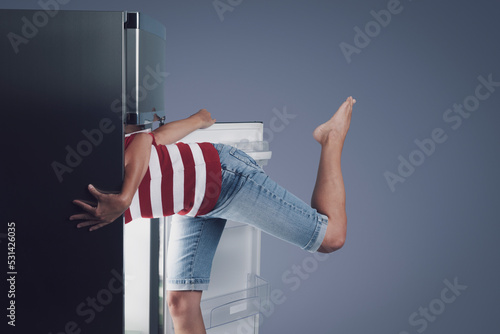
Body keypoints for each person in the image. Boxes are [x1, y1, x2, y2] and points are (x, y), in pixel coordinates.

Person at [70, 96, 356, 334]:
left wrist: (125, 197)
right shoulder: (75, 206)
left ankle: (330, 138)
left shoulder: (89, 160)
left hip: (223, 177)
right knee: (181, 303)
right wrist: (197, 120)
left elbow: (141, 139)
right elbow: (155, 139)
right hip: (194, 205)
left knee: (331, 238)